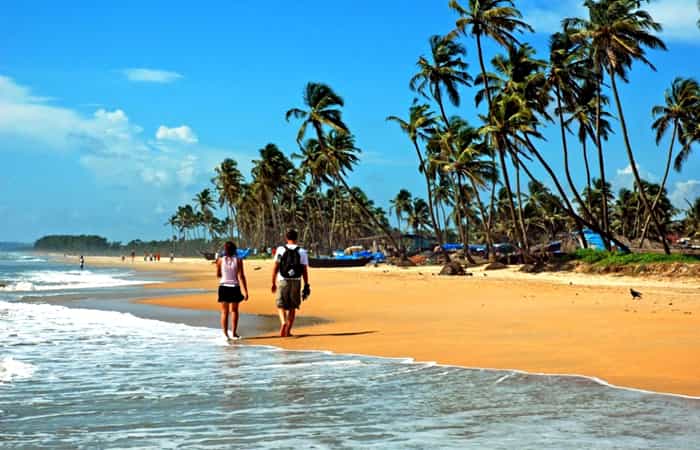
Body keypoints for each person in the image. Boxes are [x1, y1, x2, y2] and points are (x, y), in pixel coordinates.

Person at [271, 229, 310, 337]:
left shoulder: (280, 250)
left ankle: (283, 322)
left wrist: (273, 282)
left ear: (286, 238)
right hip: (296, 281)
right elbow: (304, 270)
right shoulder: (302, 251)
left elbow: (276, 267)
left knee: (280, 304)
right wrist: (306, 284)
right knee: (292, 306)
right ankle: (288, 331)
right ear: (296, 238)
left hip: (283, 279)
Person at [216, 241, 249, 340]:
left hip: (223, 286)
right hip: (235, 287)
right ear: (235, 250)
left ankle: (225, 334)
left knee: (224, 312)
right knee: (234, 311)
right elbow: (241, 276)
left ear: (225, 250)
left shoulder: (220, 260)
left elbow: (218, 275)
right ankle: (234, 333)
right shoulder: (238, 260)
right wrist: (246, 291)